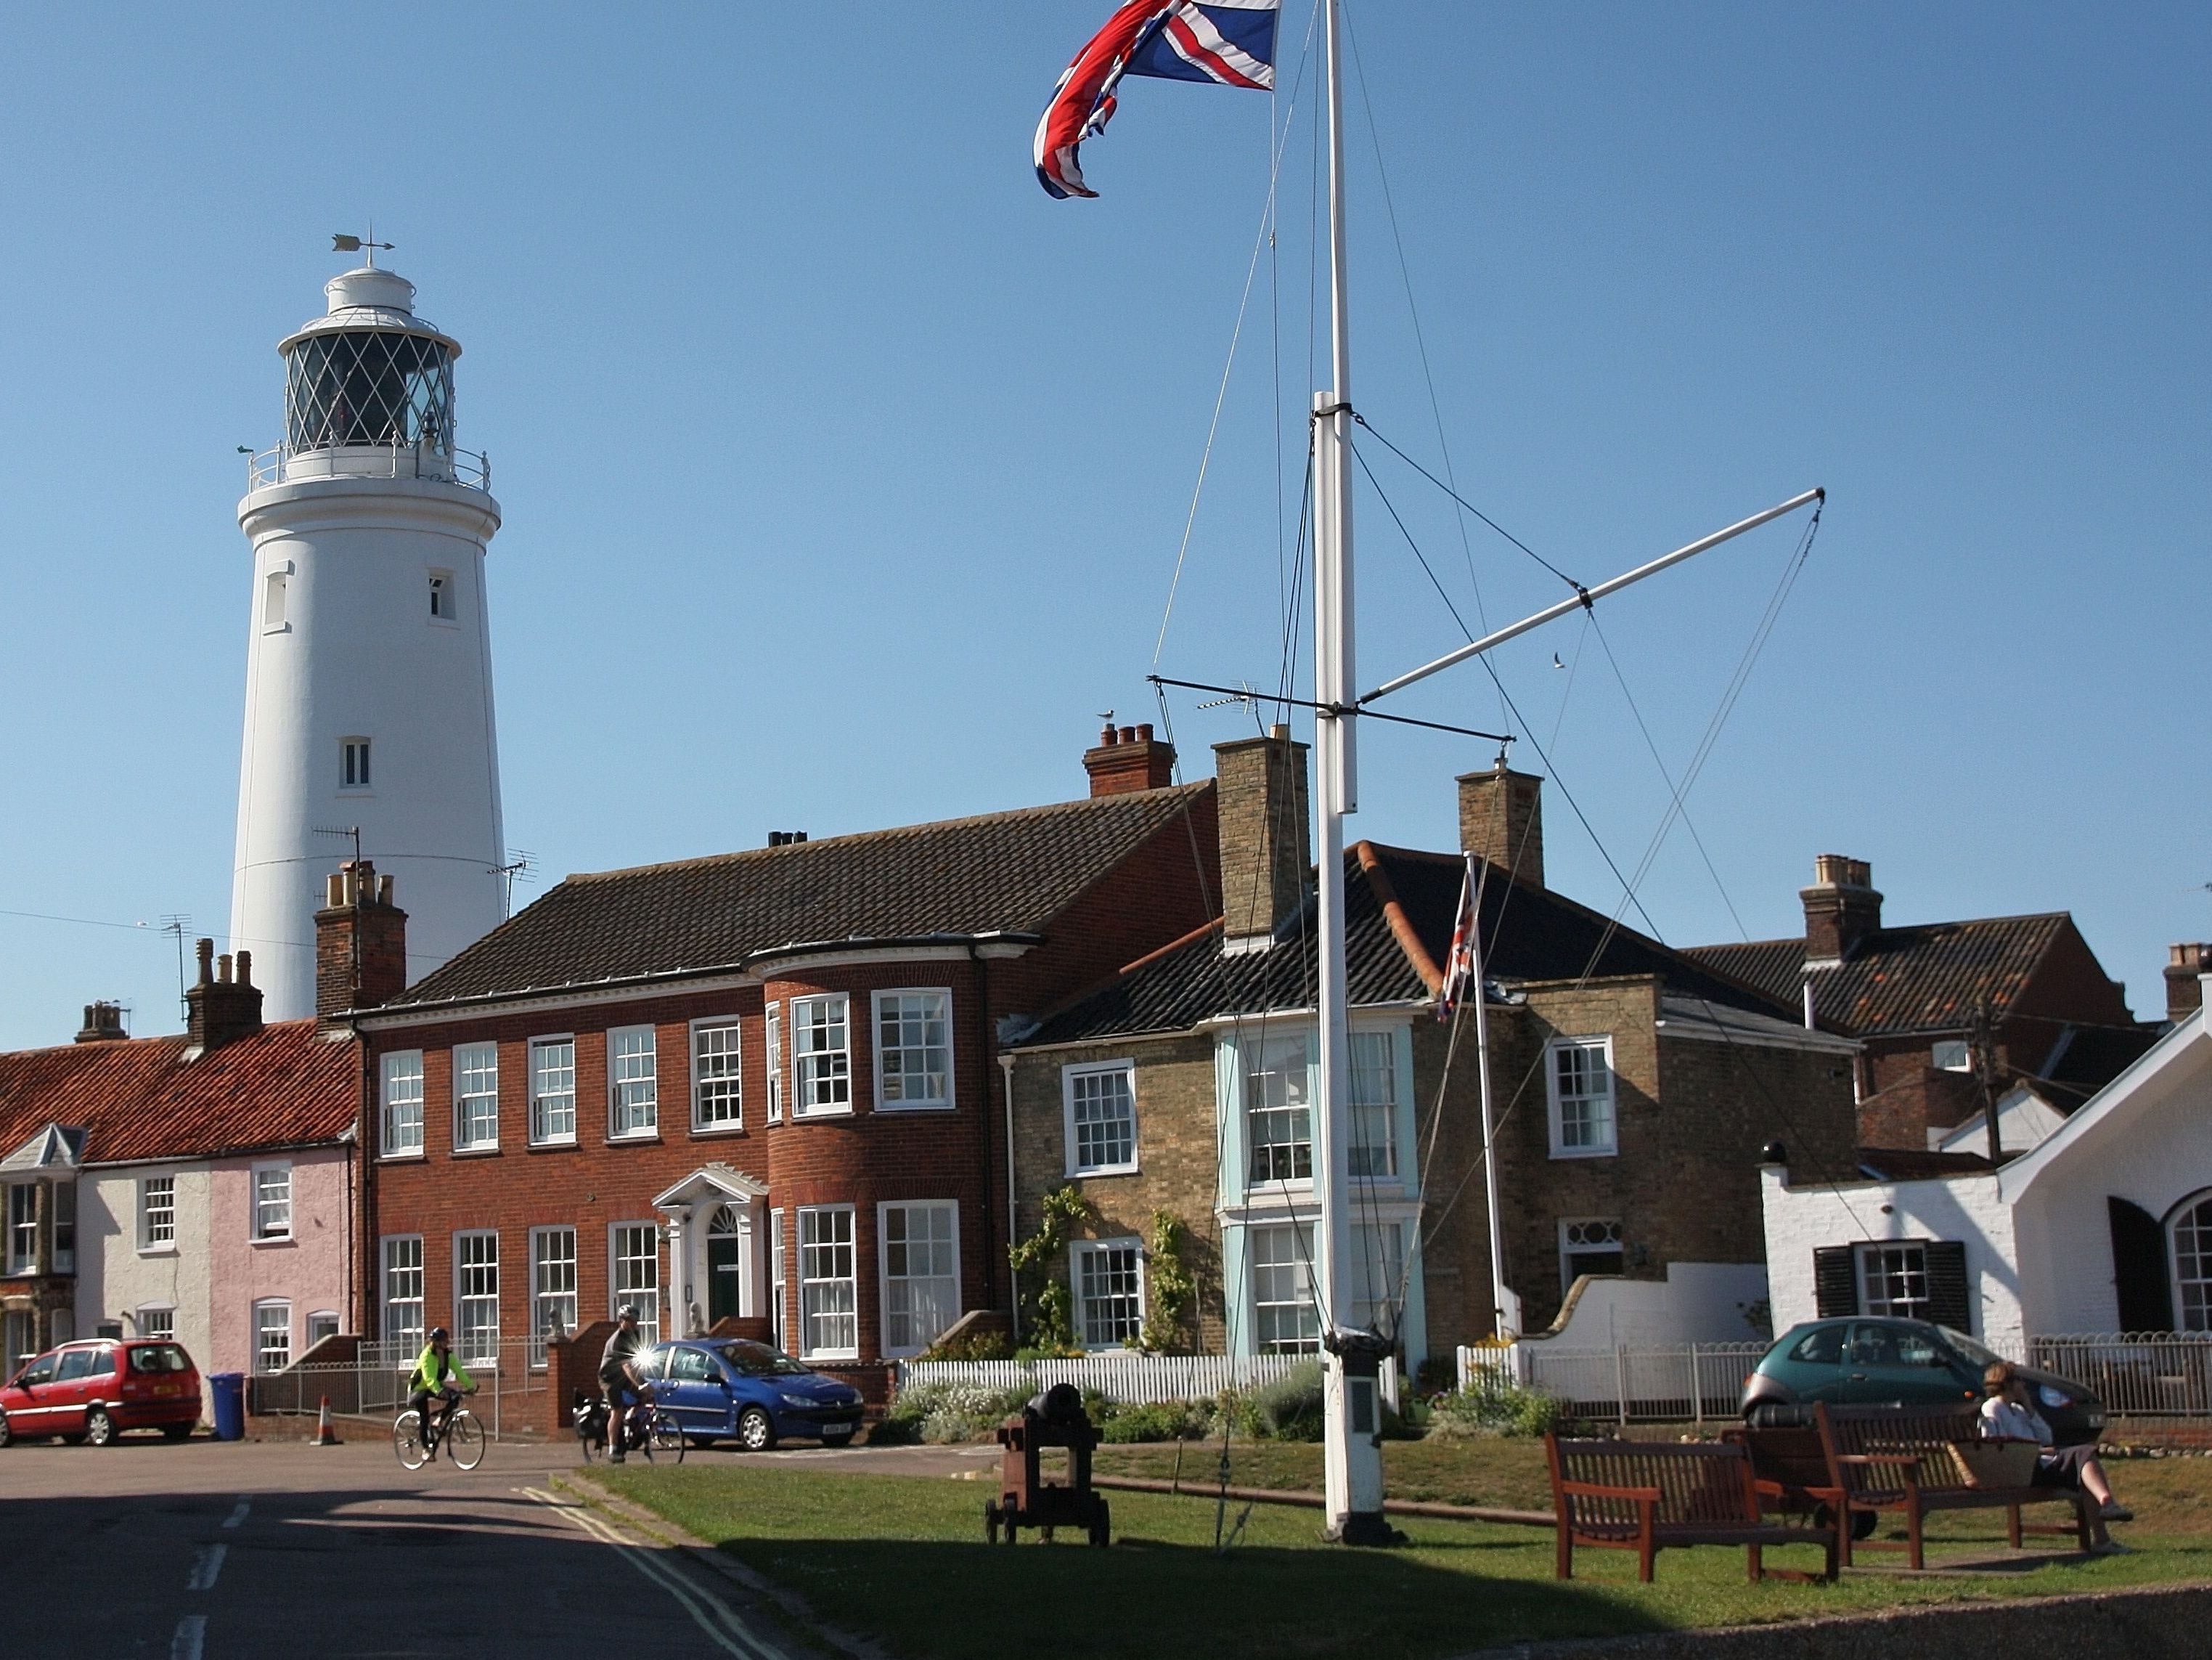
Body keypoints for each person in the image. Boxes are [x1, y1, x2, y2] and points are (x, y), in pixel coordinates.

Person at [1980, 1361, 2131, 1548]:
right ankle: (2107, 1504)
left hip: (2039, 1463)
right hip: (2022, 1469)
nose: (2024, 1385)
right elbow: (1995, 1443)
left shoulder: (2018, 1410)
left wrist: (2028, 1406)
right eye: (2019, 1380)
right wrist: (2037, 1451)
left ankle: (2103, 1537)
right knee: (2084, 1453)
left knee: (2085, 1470)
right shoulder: (1993, 1408)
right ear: (2007, 1382)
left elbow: (2046, 1436)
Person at [407, 1328, 475, 1457]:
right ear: (436, 1342)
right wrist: (440, 1391)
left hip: (435, 1386)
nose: (447, 1343)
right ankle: (425, 1450)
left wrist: (471, 1386)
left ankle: (439, 1420)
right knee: (424, 1417)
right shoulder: (426, 1355)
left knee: (455, 1397)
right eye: (444, 1341)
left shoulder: (447, 1355)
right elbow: (429, 1379)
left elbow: (459, 1372)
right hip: (419, 1388)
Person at [599, 1305, 646, 1463]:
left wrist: (645, 1381)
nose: (633, 1324)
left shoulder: (636, 1334)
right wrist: (639, 1383)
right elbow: (626, 1366)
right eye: (630, 1321)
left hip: (625, 1376)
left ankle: (629, 1417)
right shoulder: (617, 1340)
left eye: (635, 1321)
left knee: (647, 1395)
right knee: (617, 1411)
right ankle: (613, 1450)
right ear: (622, 1321)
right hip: (610, 1378)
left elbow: (638, 1359)